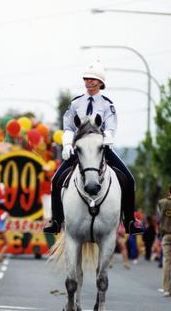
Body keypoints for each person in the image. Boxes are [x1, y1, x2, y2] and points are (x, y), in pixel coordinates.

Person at [43, 60, 144, 235]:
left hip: (101, 148)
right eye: (87, 79)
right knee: (56, 180)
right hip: (80, 149)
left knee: (129, 179)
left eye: (93, 79)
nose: (89, 82)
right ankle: (56, 220)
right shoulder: (76, 103)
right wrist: (67, 144)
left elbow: (111, 126)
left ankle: (129, 221)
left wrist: (107, 139)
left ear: (100, 83)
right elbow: (68, 125)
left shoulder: (106, 104)